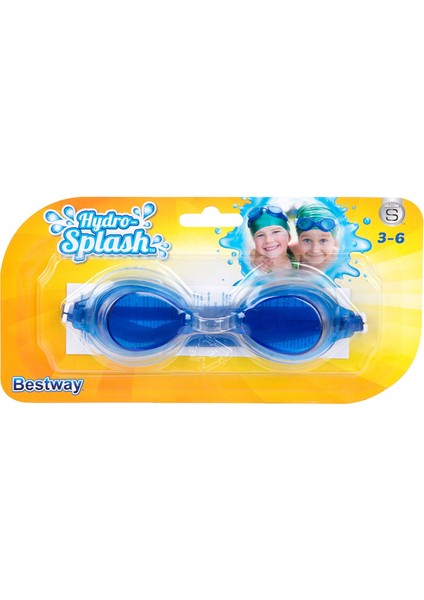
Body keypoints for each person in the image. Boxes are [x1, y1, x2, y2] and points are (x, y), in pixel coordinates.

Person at [247, 205, 295, 272]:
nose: (269, 240)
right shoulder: (258, 266)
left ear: (289, 237)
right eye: (260, 235)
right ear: (254, 241)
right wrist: (254, 255)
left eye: (276, 232)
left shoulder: (295, 254)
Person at [293, 203, 339, 271]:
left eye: (323, 240)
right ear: (298, 239)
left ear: (334, 240)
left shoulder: (343, 260)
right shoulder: (292, 255)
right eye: (307, 240)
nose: (315, 250)